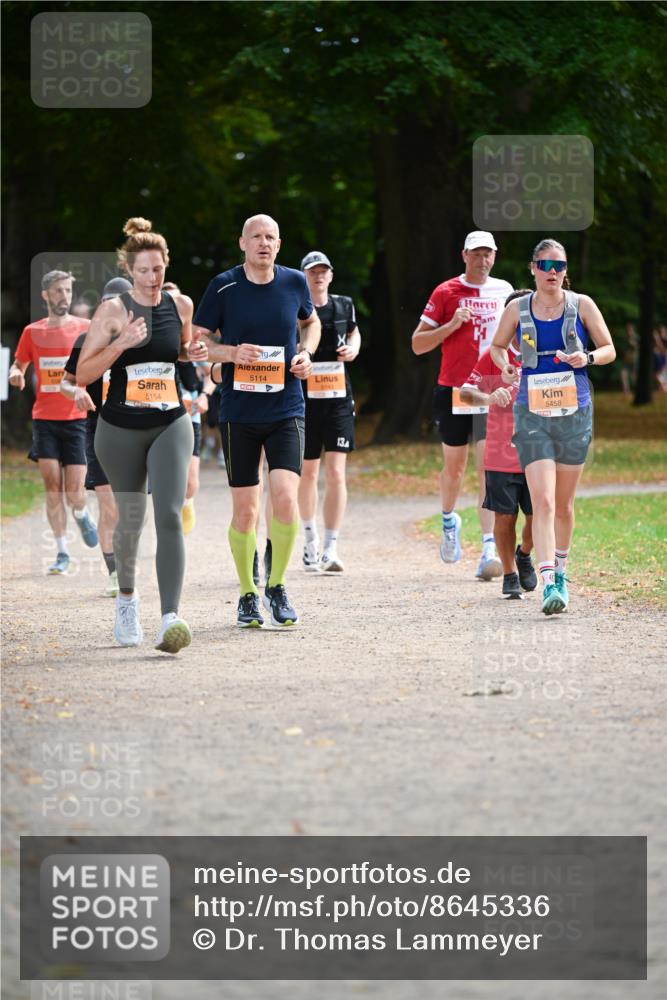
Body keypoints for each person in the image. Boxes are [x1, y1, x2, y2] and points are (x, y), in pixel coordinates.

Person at [77, 217, 207, 652]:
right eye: (144, 271)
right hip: (119, 430)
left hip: (170, 420)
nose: (153, 278)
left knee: (169, 514)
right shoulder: (114, 311)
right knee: (132, 520)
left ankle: (171, 617)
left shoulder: (181, 306)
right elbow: (83, 373)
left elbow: (184, 352)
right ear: (130, 271)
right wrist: (120, 345)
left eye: (159, 269)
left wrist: (197, 352)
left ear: (167, 266)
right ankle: (127, 603)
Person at [193, 213, 321, 628]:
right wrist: (230, 354)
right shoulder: (224, 286)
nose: (264, 243)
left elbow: (311, 321)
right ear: (242, 243)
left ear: (279, 245)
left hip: (286, 406)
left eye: (271, 237)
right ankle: (248, 592)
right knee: (246, 511)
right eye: (257, 237)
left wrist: (306, 354)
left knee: (285, 496)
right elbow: (196, 343)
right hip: (239, 413)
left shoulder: (294, 283)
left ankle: (277, 586)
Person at [491, 238, 616, 615]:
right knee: (542, 501)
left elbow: (609, 348)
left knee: (562, 504)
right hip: (531, 412)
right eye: (544, 265)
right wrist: (506, 364)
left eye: (558, 266)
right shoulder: (517, 308)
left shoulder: (583, 305)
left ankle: (561, 569)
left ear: (566, 271)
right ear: (532, 268)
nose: (551, 273)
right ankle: (548, 582)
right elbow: (497, 347)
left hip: (574, 413)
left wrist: (587, 356)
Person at [412, 231, 513, 580]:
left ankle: (487, 547)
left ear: (495, 257)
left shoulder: (505, 291)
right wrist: (453, 324)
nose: (483, 260)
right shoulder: (446, 292)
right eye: (476, 254)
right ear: (464, 256)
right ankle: (448, 519)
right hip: (455, 389)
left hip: (491, 390)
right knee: (454, 469)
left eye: (488, 254)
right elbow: (417, 344)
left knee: (488, 466)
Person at [9, 269, 98, 574]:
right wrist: (16, 373)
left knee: (75, 492)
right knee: (51, 486)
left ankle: (83, 513)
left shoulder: (86, 328)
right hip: (44, 419)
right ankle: (61, 552)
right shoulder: (32, 332)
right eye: (58, 291)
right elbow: (19, 363)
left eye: (68, 291)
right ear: (46, 295)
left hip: (76, 420)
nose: (64, 297)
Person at [459, 290, 538, 599]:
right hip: (501, 452)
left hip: (538, 450)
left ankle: (524, 553)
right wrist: (488, 397)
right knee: (505, 517)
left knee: (538, 514)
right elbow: (466, 392)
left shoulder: (542, 353)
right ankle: (509, 573)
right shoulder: (492, 357)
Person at [60, 276, 132, 596]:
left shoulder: (140, 341)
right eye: (108, 303)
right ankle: (115, 571)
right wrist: (75, 391)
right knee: (109, 504)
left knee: (129, 505)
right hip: (97, 428)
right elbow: (66, 381)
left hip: (133, 429)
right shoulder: (84, 341)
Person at [297, 251, 361, 573]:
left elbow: (353, 332)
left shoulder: (344, 304)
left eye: (323, 271)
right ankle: (309, 539)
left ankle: (331, 546)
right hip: (305, 400)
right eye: (312, 272)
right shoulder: (295, 307)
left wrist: (354, 349)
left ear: (331, 276)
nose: (318, 276)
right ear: (304, 276)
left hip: (338, 396)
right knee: (307, 472)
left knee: (336, 472)